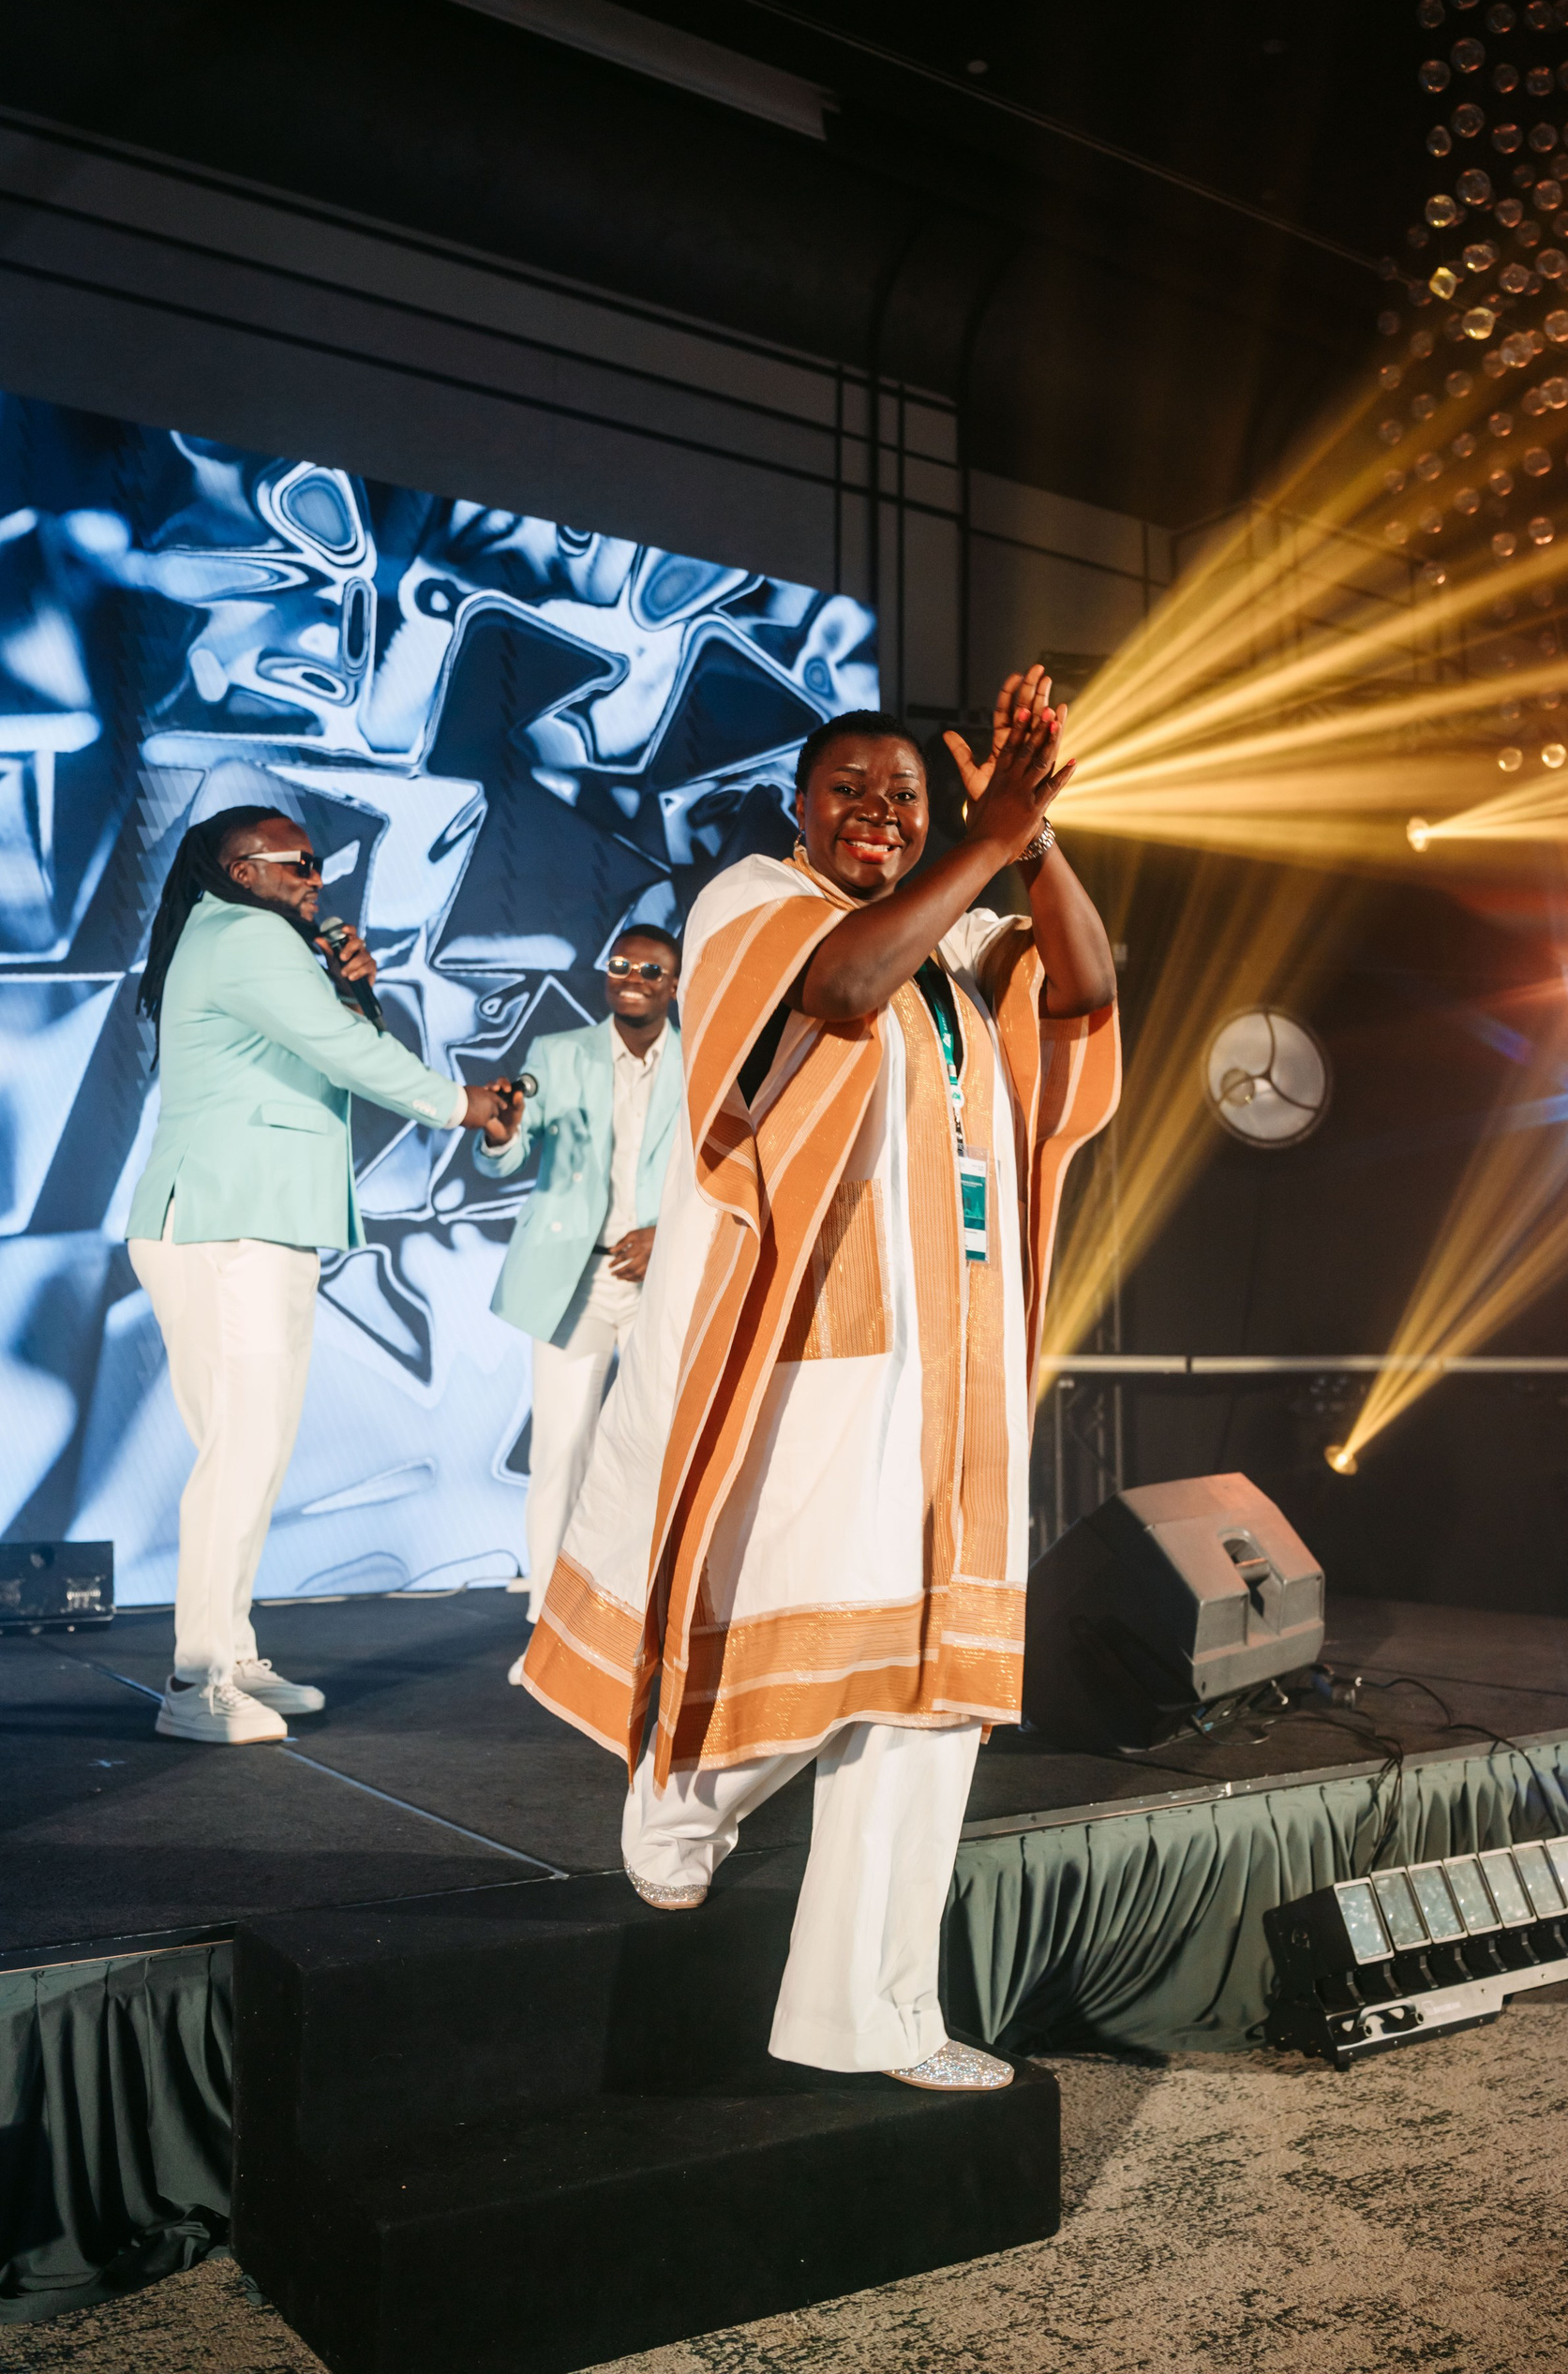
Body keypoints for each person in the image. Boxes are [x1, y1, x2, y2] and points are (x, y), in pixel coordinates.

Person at [521, 668, 1119, 2091]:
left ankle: (877, 2014)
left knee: (939, 1677)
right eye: (848, 789)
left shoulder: (959, 940)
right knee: (802, 1632)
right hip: (811, 1349)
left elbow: (1086, 988)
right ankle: (680, 1799)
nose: (876, 812)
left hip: (957, 1351)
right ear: (797, 806)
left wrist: (1032, 838)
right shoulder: (753, 900)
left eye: (904, 796)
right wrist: (988, 836)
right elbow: (842, 985)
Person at [127, 806, 516, 1744]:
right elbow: (345, 1056)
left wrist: (351, 991)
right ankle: (196, 1680)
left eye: (318, 862)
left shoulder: (240, 940)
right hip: (230, 1222)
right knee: (241, 1453)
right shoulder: (248, 935)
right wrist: (464, 1104)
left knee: (248, 1452)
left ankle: (230, 1653)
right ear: (243, 870)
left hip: (234, 1220)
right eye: (299, 862)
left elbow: (327, 1048)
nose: (318, 877)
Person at [476, 926, 683, 1683]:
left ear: (673, 984)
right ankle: (548, 1630)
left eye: (651, 969)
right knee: (559, 1451)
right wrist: (500, 1133)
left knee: (657, 1450)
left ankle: (644, 1627)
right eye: (621, 965)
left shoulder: (701, 1062)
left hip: (663, 1279)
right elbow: (509, 1147)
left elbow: (719, 1168)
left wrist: (669, 1233)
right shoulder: (558, 1053)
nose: (633, 977)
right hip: (575, 1279)